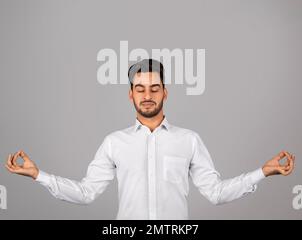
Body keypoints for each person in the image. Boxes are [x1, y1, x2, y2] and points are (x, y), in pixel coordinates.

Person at [5, 59, 295, 219]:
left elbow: (216, 193)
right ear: (130, 94)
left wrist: (263, 172)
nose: (147, 95)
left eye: (155, 88)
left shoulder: (189, 140)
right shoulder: (114, 143)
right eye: (140, 88)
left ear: (165, 93)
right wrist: (37, 175)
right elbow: (86, 193)